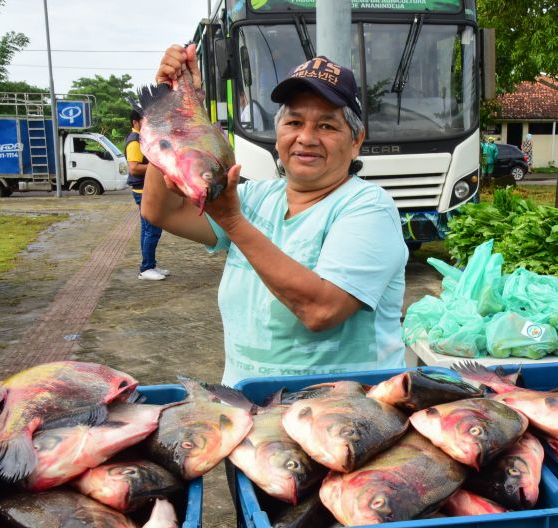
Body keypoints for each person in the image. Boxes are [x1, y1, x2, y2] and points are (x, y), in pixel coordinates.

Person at [143, 46, 408, 386]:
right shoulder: (255, 197)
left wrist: (233, 223)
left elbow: (321, 310)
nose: (306, 138)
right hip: (251, 408)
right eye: (294, 122)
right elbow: (160, 210)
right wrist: (173, 113)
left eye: (327, 125)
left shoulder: (368, 208)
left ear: (356, 141)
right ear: (279, 133)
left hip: (344, 418)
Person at [126, 109, 169, 281]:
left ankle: (149, 264)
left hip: (146, 190)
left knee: (147, 229)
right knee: (152, 229)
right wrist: (158, 166)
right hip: (143, 191)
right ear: (135, 122)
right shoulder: (134, 142)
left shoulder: (141, 139)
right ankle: (146, 268)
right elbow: (134, 168)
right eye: (144, 121)